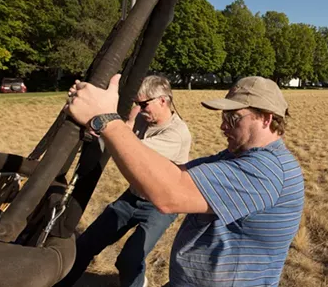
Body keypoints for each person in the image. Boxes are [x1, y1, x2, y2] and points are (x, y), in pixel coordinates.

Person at [64, 74, 305, 286]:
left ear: (266, 118)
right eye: (224, 116)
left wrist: (105, 120)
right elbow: (174, 174)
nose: (223, 125)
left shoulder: (265, 170)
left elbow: (169, 194)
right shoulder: (236, 156)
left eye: (233, 118)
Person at [56, 75, 192, 287]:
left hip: (160, 205)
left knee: (129, 259)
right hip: (132, 197)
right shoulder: (142, 118)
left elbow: (132, 149)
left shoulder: (177, 133)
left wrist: (98, 123)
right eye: (137, 104)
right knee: (85, 246)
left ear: (163, 100)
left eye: (143, 104)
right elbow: (124, 132)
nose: (139, 108)